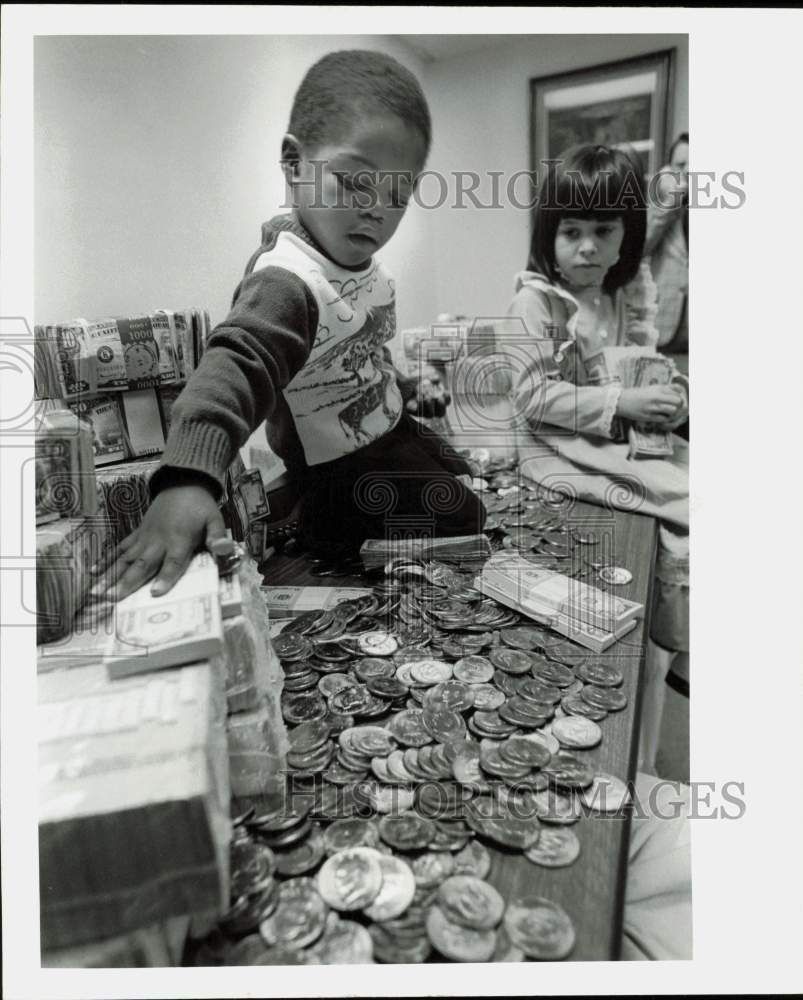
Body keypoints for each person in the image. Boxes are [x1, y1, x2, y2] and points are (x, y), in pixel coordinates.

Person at [103, 50, 484, 602]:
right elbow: (237, 361)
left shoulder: (353, 256)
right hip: (340, 463)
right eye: (356, 182)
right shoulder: (287, 282)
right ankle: (320, 521)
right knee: (465, 516)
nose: (377, 210)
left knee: (460, 470)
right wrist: (189, 475)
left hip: (383, 430)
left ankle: (331, 503)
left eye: (398, 195)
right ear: (293, 164)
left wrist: (402, 390)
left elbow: (362, 351)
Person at [505, 144, 690, 773]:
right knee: (680, 502)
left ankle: (672, 642)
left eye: (603, 231)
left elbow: (649, 367)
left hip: (614, 441)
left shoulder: (627, 294)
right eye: (571, 231)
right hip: (553, 449)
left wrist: (669, 398)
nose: (586, 247)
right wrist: (626, 399)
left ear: (627, 236)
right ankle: (674, 633)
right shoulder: (537, 302)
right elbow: (530, 393)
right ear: (548, 235)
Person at [645, 133, 689, 381]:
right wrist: (671, 200)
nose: (688, 173)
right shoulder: (660, 206)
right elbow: (641, 248)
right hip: (665, 328)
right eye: (681, 165)